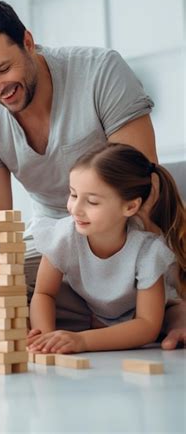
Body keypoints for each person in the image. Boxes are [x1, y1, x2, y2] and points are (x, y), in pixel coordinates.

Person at [0, 0, 185, 349]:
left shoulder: (101, 71)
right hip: (56, 240)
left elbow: (143, 189)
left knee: (146, 271)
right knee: (21, 285)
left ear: (28, 42)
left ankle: (151, 311)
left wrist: (171, 293)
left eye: (2, 70)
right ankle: (100, 318)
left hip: (126, 227)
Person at [27, 143, 184, 353]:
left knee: (173, 314)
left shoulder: (148, 250)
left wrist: (82, 341)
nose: (76, 209)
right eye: (73, 195)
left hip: (142, 313)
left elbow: (147, 325)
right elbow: (44, 293)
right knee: (27, 306)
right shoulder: (63, 235)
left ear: (130, 207)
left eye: (92, 202)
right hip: (88, 308)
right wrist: (46, 338)